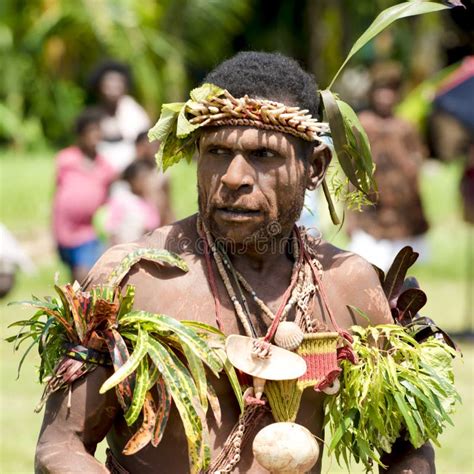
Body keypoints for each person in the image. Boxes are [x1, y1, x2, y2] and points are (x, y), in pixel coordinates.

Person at [36, 53, 435, 473]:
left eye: (263, 155)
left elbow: (406, 449)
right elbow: (61, 445)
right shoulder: (137, 277)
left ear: (314, 168)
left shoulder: (348, 286)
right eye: (217, 152)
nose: (233, 177)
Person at [347, 62, 430, 271]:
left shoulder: (405, 127)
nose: (385, 96)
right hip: (371, 213)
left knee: (400, 274)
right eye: (381, 89)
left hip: (402, 214)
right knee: (369, 272)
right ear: (372, 91)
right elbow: (352, 172)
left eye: (391, 90)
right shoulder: (362, 125)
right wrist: (351, 216)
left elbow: (417, 165)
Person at [52, 108, 116, 283]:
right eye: (91, 132)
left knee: (83, 275)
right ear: (81, 134)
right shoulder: (66, 160)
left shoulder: (105, 167)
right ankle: (75, 309)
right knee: (74, 278)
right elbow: (57, 194)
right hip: (64, 232)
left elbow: (108, 200)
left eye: (98, 132)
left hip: (88, 233)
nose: (96, 136)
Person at [89, 61, 151, 172]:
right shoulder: (93, 115)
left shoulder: (134, 113)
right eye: (109, 84)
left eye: (117, 84)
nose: (113, 89)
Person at [95, 160, 160, 245]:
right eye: (142, 178)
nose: (146, 182)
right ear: (132, 180)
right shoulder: (122, 200)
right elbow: (112, 229)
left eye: (147, 178)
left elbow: (154, 224)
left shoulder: (149, 200)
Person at [135, 131, 175, 225]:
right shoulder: (133, 173)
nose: (152, 149)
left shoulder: (161, 174)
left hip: (160, 222)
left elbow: (167, 203)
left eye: (154, 145)